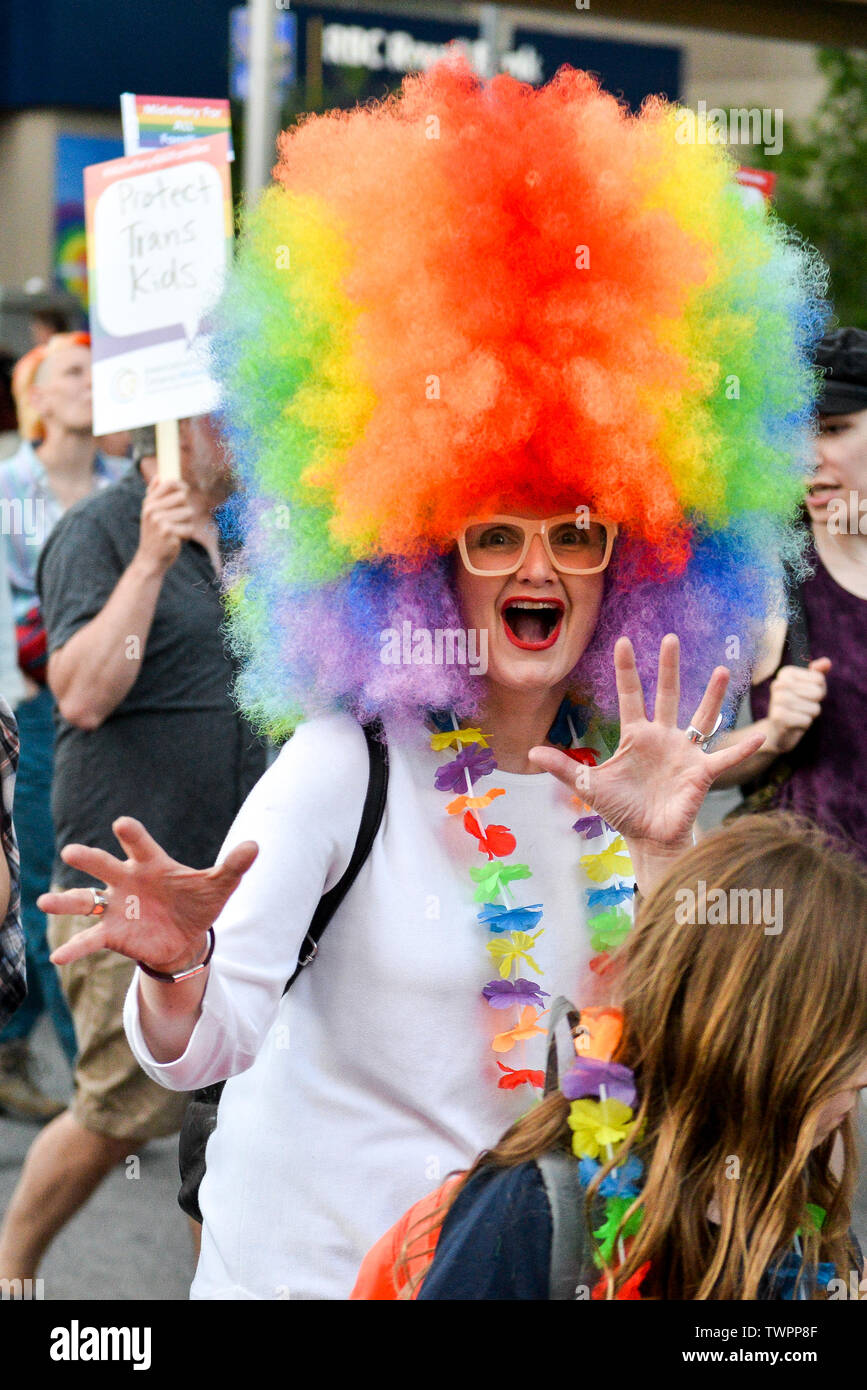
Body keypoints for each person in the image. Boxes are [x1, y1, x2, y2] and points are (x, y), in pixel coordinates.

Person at [39, 59, 824, 1299]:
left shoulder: (630, 790)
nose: (539, 566)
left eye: (578, 530)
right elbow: (207, 1048)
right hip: (303, 1279)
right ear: (413, 553)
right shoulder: (344, 767)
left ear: (637, 560)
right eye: (492, 531)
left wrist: (671, 857)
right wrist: (179, 965)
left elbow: (671, 1067)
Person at [0, 418, 267, 1282]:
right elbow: (77, 693)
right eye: (224, 413)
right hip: (129, 892)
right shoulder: (100, 530)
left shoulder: (252, 529)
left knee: (224, 1119)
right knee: (119, 1111)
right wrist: (151, 560)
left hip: (236, 888)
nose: (245, 426)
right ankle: (11, 1268)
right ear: (175, 422)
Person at [412, 813, 867, 1300]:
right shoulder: (536, 1212)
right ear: (758, 1038)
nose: (862, 1075)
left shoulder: (810, 1233)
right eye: (845, 1040)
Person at [0, 333, 128, 1119]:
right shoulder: (9, 486)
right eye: (73, 373)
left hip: (127, 705)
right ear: (38, 399)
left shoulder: (134, 485)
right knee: (55, 882)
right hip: (35, 708)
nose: (90, 384)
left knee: (101, 869)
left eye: (97, 372)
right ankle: (97, 1082)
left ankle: (13, 1044)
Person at [710, 328, 867, 865]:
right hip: (810, 936)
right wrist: (772, 734)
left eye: (831, 429)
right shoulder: (763, 582)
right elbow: (690, 765)